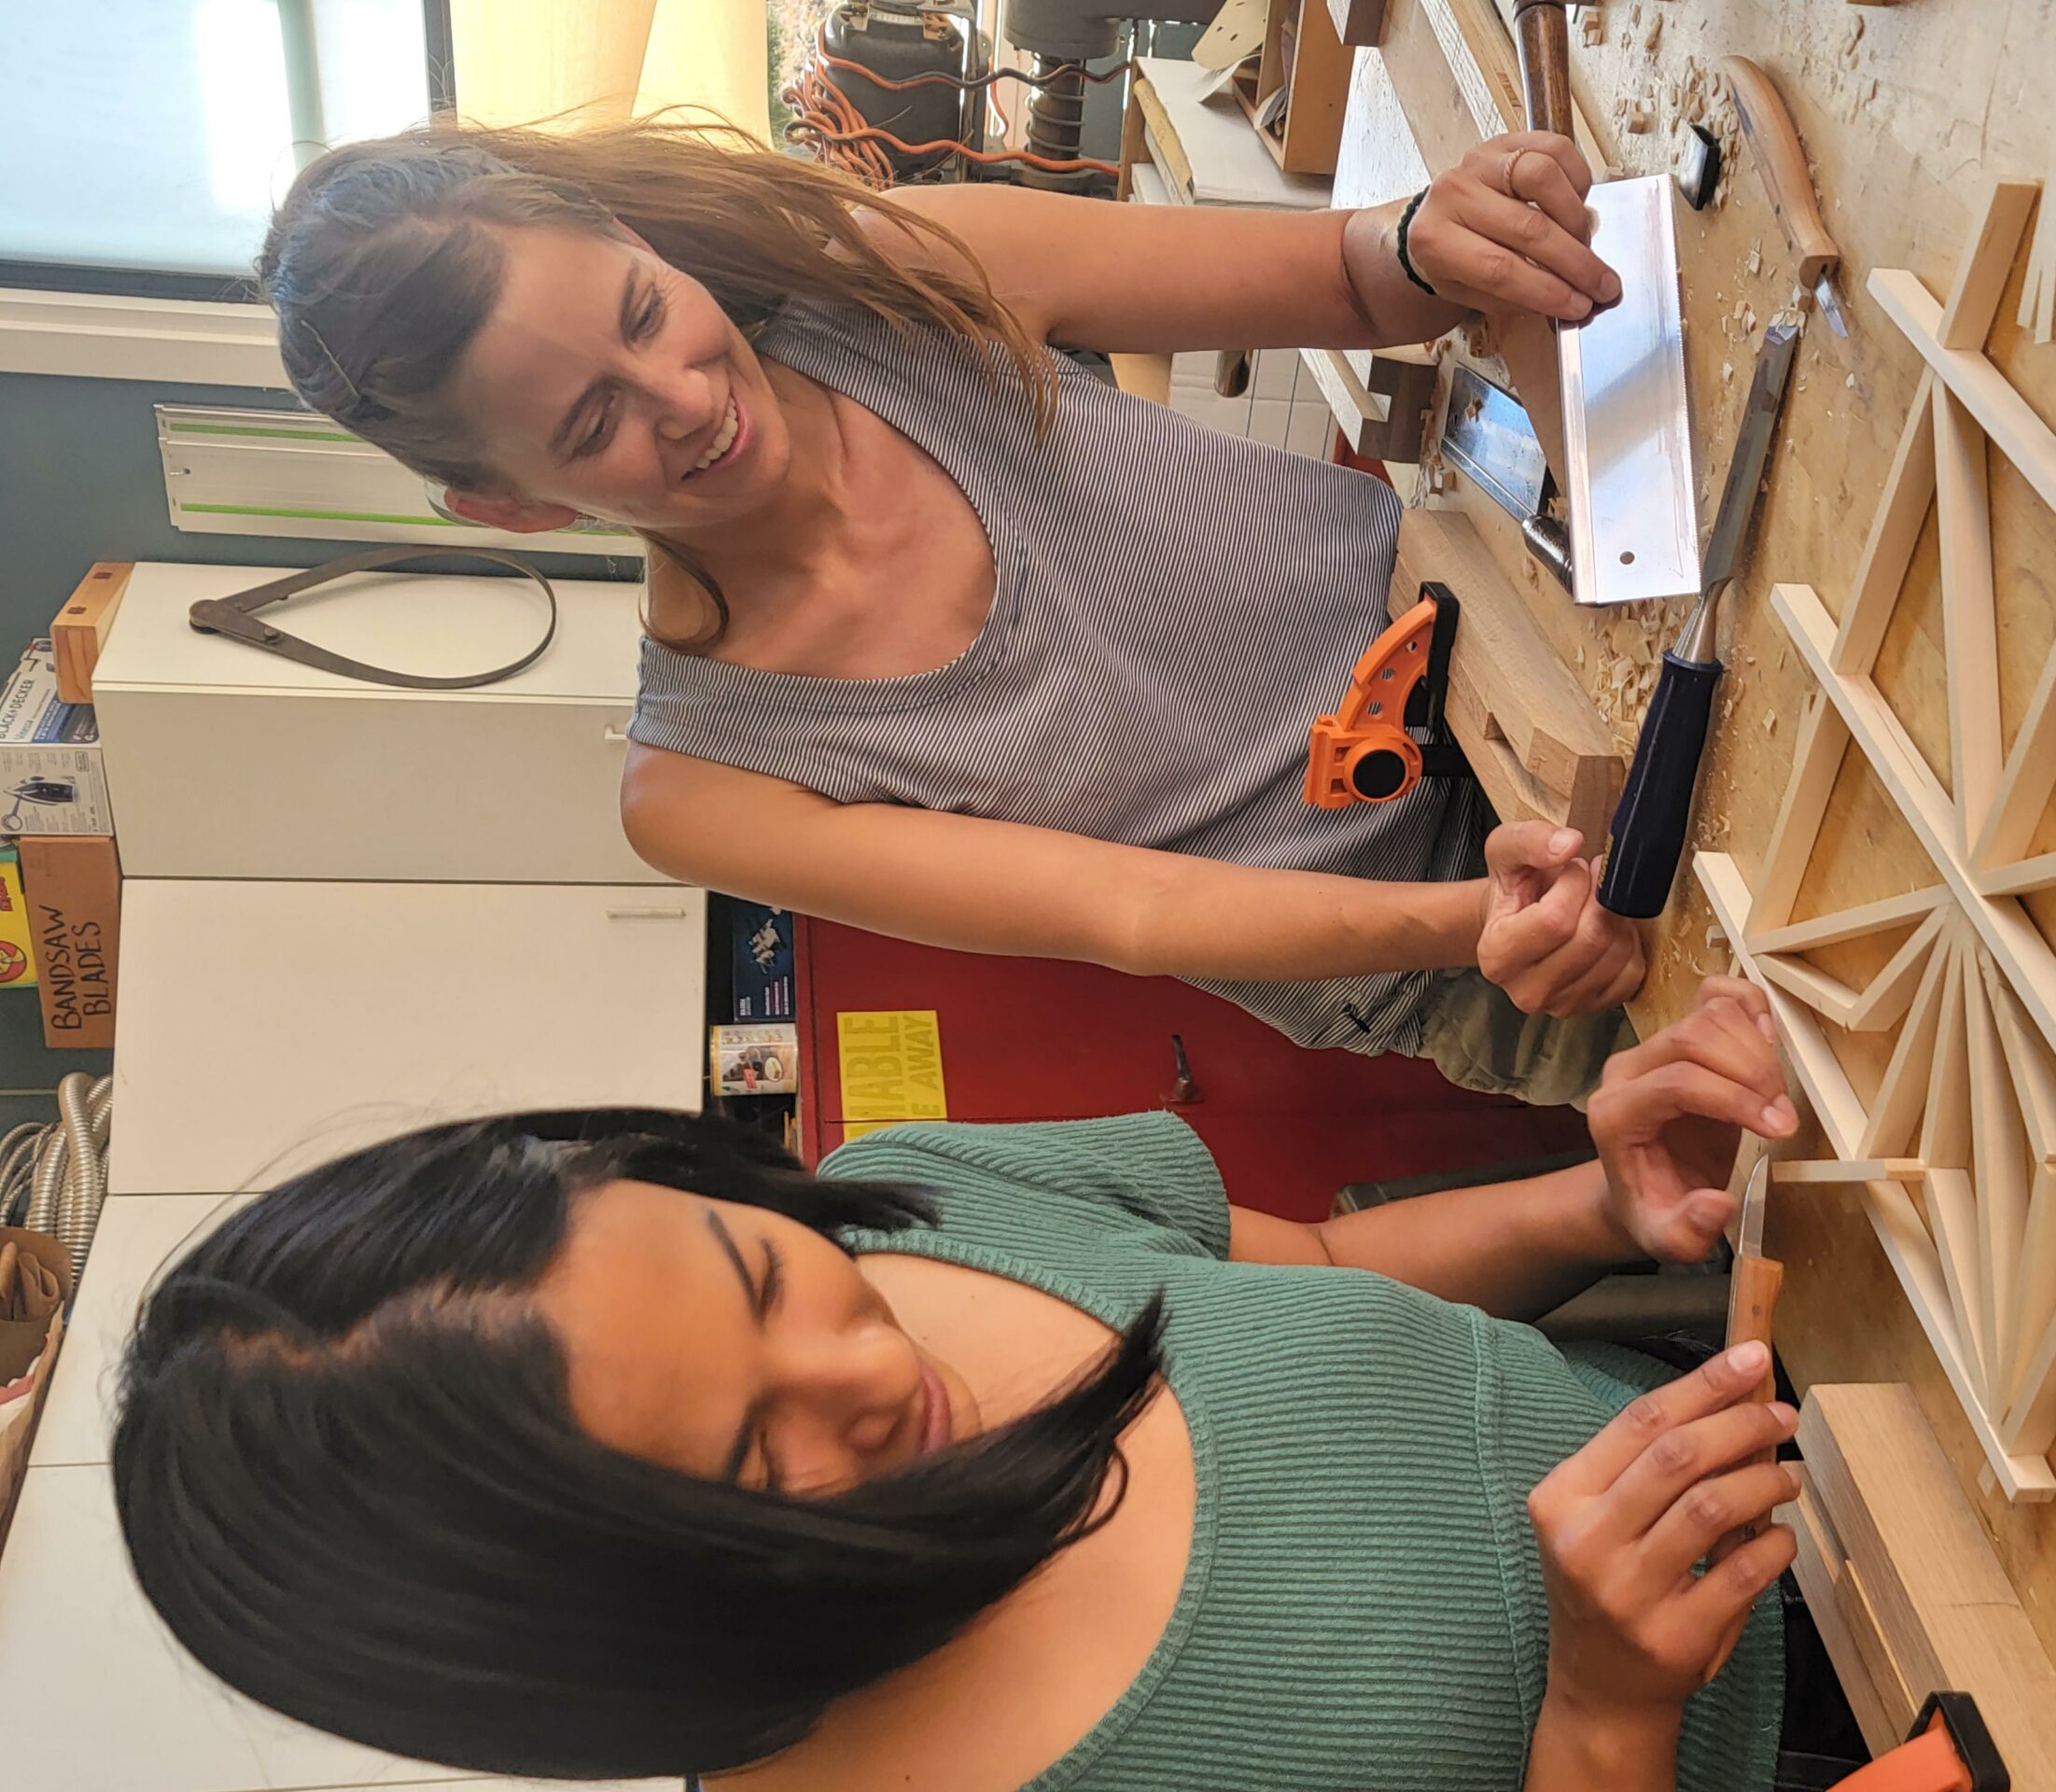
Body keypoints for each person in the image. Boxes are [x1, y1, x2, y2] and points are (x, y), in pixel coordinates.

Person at [256, 115, 1649, 1107]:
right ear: (512, 507)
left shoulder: (890, 275)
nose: (688, 399)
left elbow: (1352, 274)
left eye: (638, 313)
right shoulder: (702, 783)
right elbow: (1134, 911)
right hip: (1452, 932)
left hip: (1526, 637)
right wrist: (1473, 923)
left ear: (634, 239)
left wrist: (1438, 236)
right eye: (593, 420)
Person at [115, 979, 1806, 1791]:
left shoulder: (921, 1183)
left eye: (763, 1272)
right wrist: (1604, 1716)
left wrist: (1592, 1205)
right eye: (756, 1464)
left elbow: (1329, 1277)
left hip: (1811, 1444)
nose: (868, 1362)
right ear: (619, 1659)